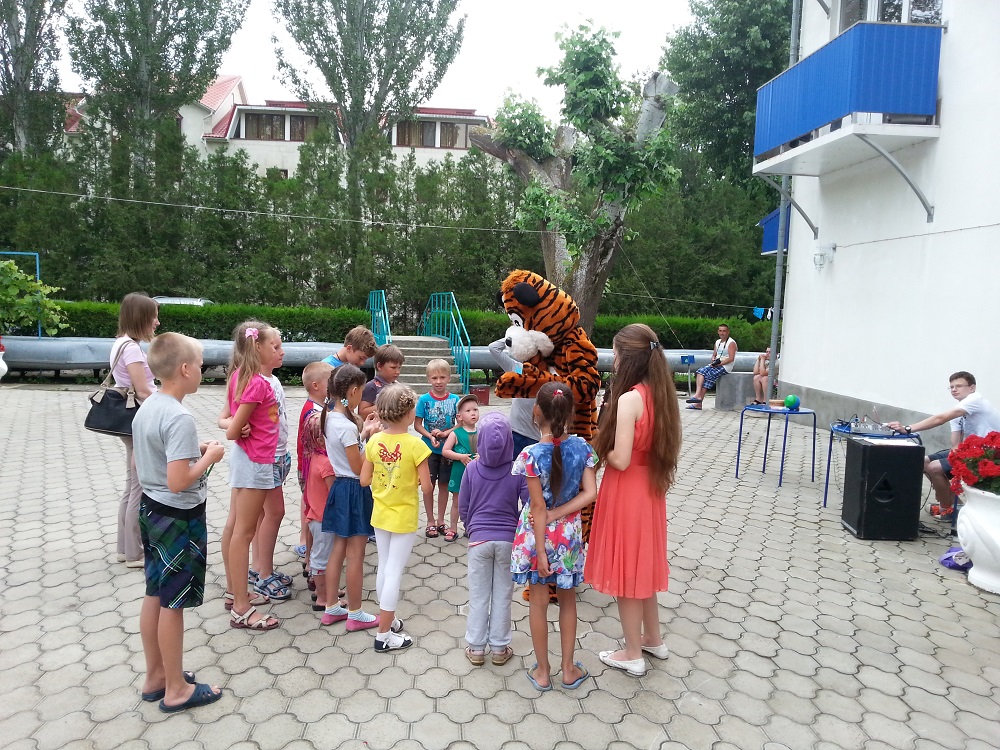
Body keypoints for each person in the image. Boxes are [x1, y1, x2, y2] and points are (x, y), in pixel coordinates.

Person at [132, 332, 224, 712]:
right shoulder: (180, 416)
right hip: (178, 519)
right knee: (174, 603)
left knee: (155, 593)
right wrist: (209, 458)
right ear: (185, 370)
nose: (203, 371)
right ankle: (176, 690)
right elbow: (179, 480)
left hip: (152, 510)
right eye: (201, 366)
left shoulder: (149, 406)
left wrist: (193, 450)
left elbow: (156, 456)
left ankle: (156, 676)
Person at [585, 323, 682, 678]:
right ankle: (653, 639)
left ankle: (631, 653)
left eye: (615, 353)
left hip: (627, 491)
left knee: (627, 571)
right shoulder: (662, 395)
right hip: (650, 490)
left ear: (627, 357)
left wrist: (598, 444)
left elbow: (621, 459)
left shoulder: (629, 399)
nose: (612, 360)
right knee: (643, 567)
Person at [511, 382, 597, 691]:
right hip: (569, 537)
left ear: (536, 412)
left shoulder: (530, 455)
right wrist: (560, 514)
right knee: (568, 601)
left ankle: (543, 672)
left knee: (537, 602)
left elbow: (537, 507)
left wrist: (541, 549)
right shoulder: (583, 448)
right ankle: (569, 669)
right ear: (571, 412)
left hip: (537, 537)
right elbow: (591, 493)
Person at [220, 321, 282, 632]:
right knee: (243, 533)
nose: (279, 351)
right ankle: (242, 609)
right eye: (275, 346)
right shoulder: (257, 383)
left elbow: (228, 419)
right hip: (256, 462)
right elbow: (231, 429)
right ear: (257, 347)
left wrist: (237, 425)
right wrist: (238, 427)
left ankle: (235, 593)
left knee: (235, 527)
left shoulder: (238, 376)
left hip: (247, 459)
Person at [361, 384, 432, 652]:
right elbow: (427, 487)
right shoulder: (416, 445)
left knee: (384, 566)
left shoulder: (374, 441)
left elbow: (364, 479)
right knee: (394, 572)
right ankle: (383, 635)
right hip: (403, 516)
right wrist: (410, 482)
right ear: (410, 414)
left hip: (380, 513)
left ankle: (387, 621)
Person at [458, 412, 528, 667]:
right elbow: (528, 505)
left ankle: (476, 648)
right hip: (508, 541)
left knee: (478, 596)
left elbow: (463, 505)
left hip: (479, 541)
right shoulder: (517, 470)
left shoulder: (471, 468)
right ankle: (499, 648)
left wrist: (471, 528)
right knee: (502, 595)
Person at [887, 371, 1000, 520]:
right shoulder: (959, 410)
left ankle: (947, 509)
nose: (954, 389)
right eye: (951, 387)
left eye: (959, 386)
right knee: (923, 462)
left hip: (991, 453)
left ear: (972, 388)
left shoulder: (975, 400)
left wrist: (908, 428)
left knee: (935, 468)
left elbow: (940, 419)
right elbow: (955, 445)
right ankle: (953, 505)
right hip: (971, 451)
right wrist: (949, 472)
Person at [320, 364, 382, 629]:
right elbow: (358, 467)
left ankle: (332, 608)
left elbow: (349, 451)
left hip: (340, 487)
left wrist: (364, 433)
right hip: (354, 489)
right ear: (354, 391)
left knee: (338, 549)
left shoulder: (330, 417)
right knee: (356, 554)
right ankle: (355, 613)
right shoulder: (344, 425)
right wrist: (373, 440)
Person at [110, 292, 159, 568]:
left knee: (131, 484)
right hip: (137, 420)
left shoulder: (120, 343)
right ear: (141, 318)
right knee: (139, 484)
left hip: (128, 421)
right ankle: (135, 553)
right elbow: (142, 390)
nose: (156, 322)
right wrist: (166, 403)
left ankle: (124, 547)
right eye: (153, 317)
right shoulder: (131, 348)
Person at [297, 361, 334, 576]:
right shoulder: (313, 412)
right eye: (330, 382)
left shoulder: (320, 407)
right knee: (315, 514)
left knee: (313, 513)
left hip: (313, 467)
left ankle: (311, 559)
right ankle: (314, 562)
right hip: (313, 469)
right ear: (316, 385)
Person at [415, 359, 459, 539]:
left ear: (449, 378)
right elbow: (417, 424)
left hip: (448, 450)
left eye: (442, 377)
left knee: (444, 485)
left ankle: (441, 520)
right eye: (434, 378)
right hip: (428, 450)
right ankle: (430, 521)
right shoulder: (424, 400)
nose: (438, 381)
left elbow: (460, 424)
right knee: (428, 486)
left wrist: (446, 433)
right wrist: (430, 435)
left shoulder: (455, 400)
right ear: (428, 379)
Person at [488, 337, 540, 457]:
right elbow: (493, 348)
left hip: (536, 436)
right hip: (515, 432)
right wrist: (517, 335)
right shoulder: (517, 368)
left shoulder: (550, 375)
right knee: (513, 466)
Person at [442, 394, 481, 541]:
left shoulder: (482, 431)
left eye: (475, 410)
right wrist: (461, 457)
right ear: (459, 416)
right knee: (457, 502)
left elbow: (487, 449)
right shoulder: (455, 433)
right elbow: (446, 451)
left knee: (474, 502)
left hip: (477, 473)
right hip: (460, 472)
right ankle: (453, 528)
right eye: (468, 411)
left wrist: (482, 456)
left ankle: (470, 527)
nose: (473, 413)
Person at [687, 324, 737, 410]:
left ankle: (698, 398)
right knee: (700, 372)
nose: (722, 333)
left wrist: (719, 364)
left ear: (728, 332)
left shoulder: (731, 343)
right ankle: (698, 399)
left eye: (724, 331)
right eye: (720, 331)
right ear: (718, 332)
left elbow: (731, 358)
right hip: (716, 364)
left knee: (706, 375)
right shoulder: (717, 342)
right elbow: (714, 354)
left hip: (725, 366)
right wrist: (713, 359)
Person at [359, 343, 405, 420]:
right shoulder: (371, 386)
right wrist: (386, 405)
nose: (397, 372)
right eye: (393, 367)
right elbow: (362, 413)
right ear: (379, 366)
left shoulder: (398, 386)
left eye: (399, 368)